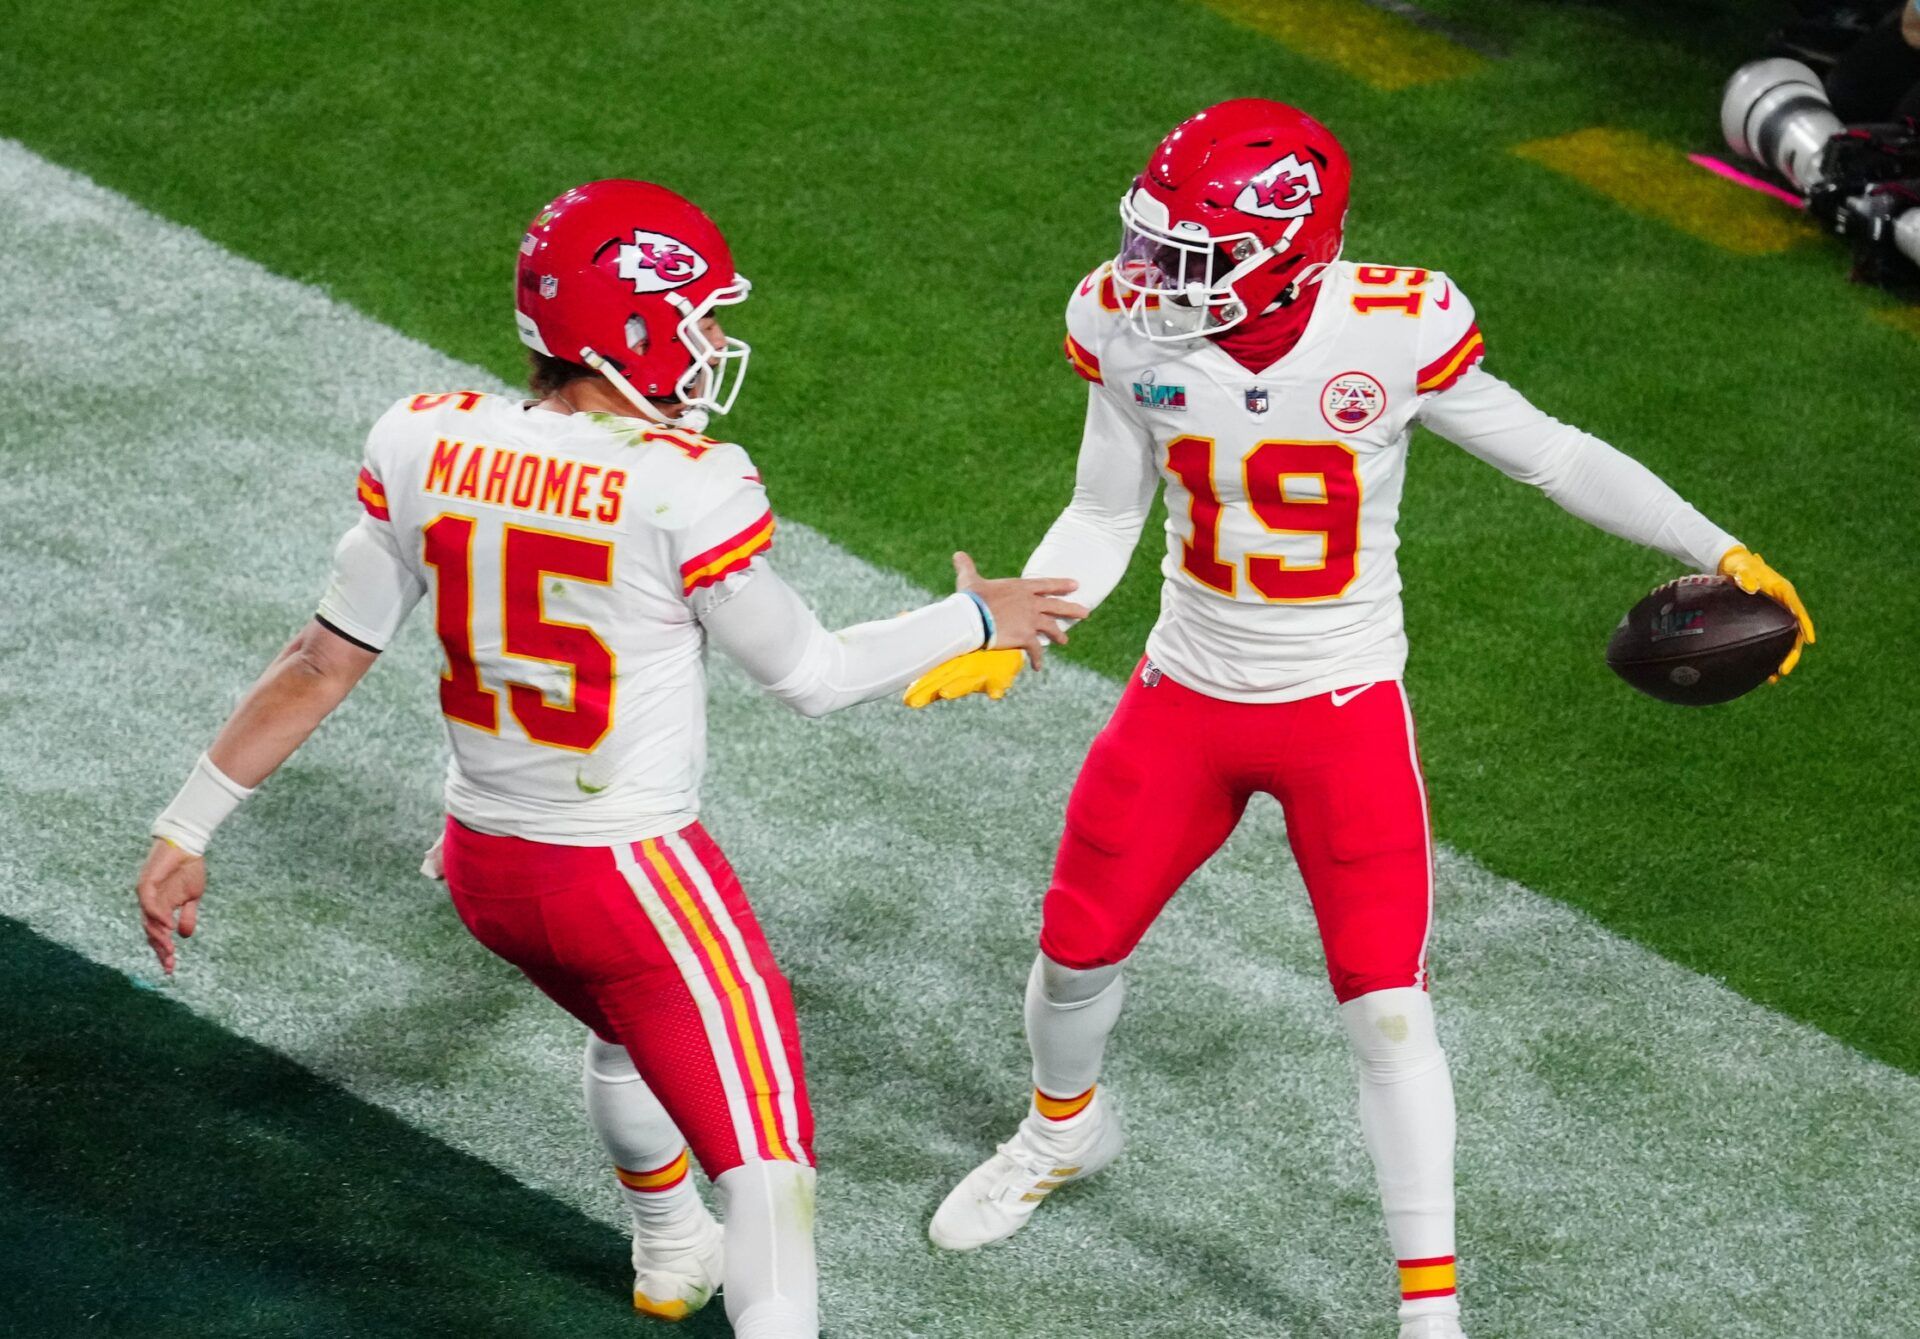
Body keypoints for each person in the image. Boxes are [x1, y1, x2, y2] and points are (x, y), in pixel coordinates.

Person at [907, 100, 1814, 1339]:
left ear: (1288, 252)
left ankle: (1428, 1309)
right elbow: (1106, 509)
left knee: (1388, 1004)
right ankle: (1063, 1132)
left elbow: (1551, 454)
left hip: (1341, 709)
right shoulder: (1122, 327)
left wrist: (1719, 547)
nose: (1152, 278)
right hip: (1188, 693)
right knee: (1074, 947)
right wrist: (1020, 611)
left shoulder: (1391, 327)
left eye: (1190, 257)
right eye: (1153, 245)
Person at [133, 179, 1084, 1339]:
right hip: (627, 874)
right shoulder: (689, 483)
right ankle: (713, 1262)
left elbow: (321, 660)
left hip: (486, 868)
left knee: (631, 1028)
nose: (716, 343)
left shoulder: (423, 438)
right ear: (625, 330)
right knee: (769, 1169)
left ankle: (664, 1244)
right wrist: (975, 619)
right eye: (696, 318)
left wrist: (186, 825)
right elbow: (814, 675)